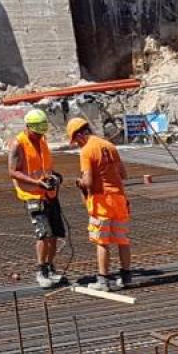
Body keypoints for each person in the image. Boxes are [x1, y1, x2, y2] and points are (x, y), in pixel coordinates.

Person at [67, 117, 132, 293]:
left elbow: (88, 182)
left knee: (101, 241)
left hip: (102, 200)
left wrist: (80, 182)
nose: (77, 145)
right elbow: (123, 174)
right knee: (122, 239)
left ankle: (103, 281)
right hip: (119, 198)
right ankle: (126, 276)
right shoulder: (109, 146)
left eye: (76, 141)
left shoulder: (87, 150)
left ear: (79, 135)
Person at [8, 107, 66, 290]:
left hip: (49, 193)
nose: (39, 137)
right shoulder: (18, 144)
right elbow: (12, 172)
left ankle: (50, 267)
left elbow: (44, 166)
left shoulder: (42, 140)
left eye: (41, 134)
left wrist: (54, 176)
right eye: (36, 134)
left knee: (56, 233)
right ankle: (41, 270)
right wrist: (36, 182)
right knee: (44, 233)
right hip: (32, 195)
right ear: (27, 127)